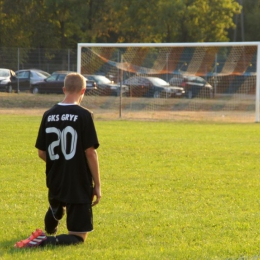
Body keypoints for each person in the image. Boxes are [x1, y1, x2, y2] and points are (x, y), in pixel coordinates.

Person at [14, 72, 101, 248]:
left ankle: (54, 214)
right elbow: (90, 152)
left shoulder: (48, 114)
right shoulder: (85, 115)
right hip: (78, 182)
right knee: (78, 238)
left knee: (57, 203)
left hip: (55, 178)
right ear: (83, 91)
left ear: (63, 89)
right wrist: (97, 185)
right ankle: (43, 241)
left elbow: (41, 152)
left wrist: (60, 163)